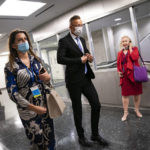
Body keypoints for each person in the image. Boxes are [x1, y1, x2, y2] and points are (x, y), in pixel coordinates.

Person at [57, 15, 108, 147]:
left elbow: (85, 53)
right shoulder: (64, 41)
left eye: (81, 25)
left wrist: (89, 57)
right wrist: (79, 60)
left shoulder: (82, 39)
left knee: (96, 104)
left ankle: (95, 135)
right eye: (77, 25)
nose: (80, 28)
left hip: (85, 78)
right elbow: (60, 59)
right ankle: (81, 137)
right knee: (78, 109)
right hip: (73, 80)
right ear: (71, 27)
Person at [4, 29, 55, 150]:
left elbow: (46, 79)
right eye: (20, 40)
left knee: (49, 136)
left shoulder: (36, 60)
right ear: (13, 45)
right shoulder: (10, 66)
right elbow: (13, 93)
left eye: (25, 39)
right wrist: (33, 107)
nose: (23, 41)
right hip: (28, 110)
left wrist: (48, 78)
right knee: (37, 139)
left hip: (44, 105)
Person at [117, 36, 143, 121]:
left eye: (126, 41)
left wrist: (130, 48)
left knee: (137, 94)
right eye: (123, 41)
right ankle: (125, 112)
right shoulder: (120, 53)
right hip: (125, 76)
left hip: (134, 75)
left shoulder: (135, 49)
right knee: (125, 95)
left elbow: (135, 58)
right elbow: (118, 64)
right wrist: (118, 71)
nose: (124, 42)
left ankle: (137, 110)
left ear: (130, 42)